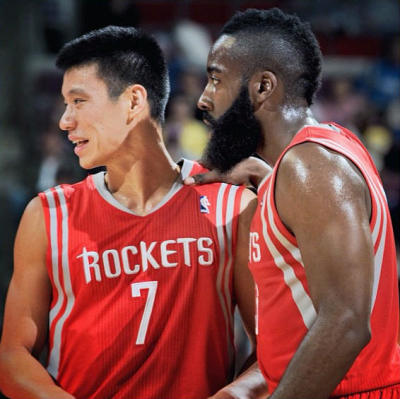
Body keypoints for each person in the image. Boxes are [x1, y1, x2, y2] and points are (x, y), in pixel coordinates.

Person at [0, 26, 268, 399]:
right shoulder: (48, 214)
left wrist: (230, 396)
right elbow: (13, 356)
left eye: (78, 101)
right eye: (65, 104)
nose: (65, 120)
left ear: (133, 101)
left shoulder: (231, 207)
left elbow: (275, 353)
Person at [185, 8, 400, 399]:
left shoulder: (310, 167)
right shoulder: (311, 158)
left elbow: (347, 322)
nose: (204, 99)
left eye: (216, 79)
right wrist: (264, 179)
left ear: (263, 87)